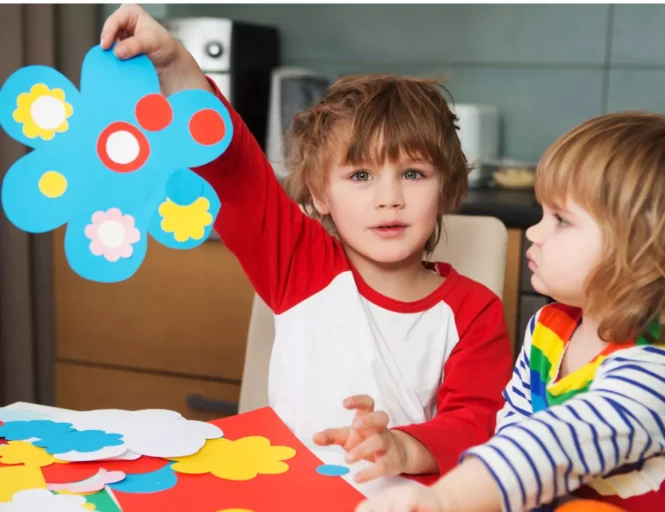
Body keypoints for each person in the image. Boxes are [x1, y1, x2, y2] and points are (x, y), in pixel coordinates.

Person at [100, 4, 513, 486]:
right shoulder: (299, 265)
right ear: (320, 194)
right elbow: (234, 170)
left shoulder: (474, 310)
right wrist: (176, 66)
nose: (389, 198)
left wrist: (401, 446)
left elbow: (477, 428)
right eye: (360, 175)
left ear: (446, 187)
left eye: (413, 173)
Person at [355, 111, 665, 511]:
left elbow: (559, 443)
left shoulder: (661, 367)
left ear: (646, 253)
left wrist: (446, 499)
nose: (534, 232)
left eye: (561, 220)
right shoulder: (549, 328)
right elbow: (516, 432)